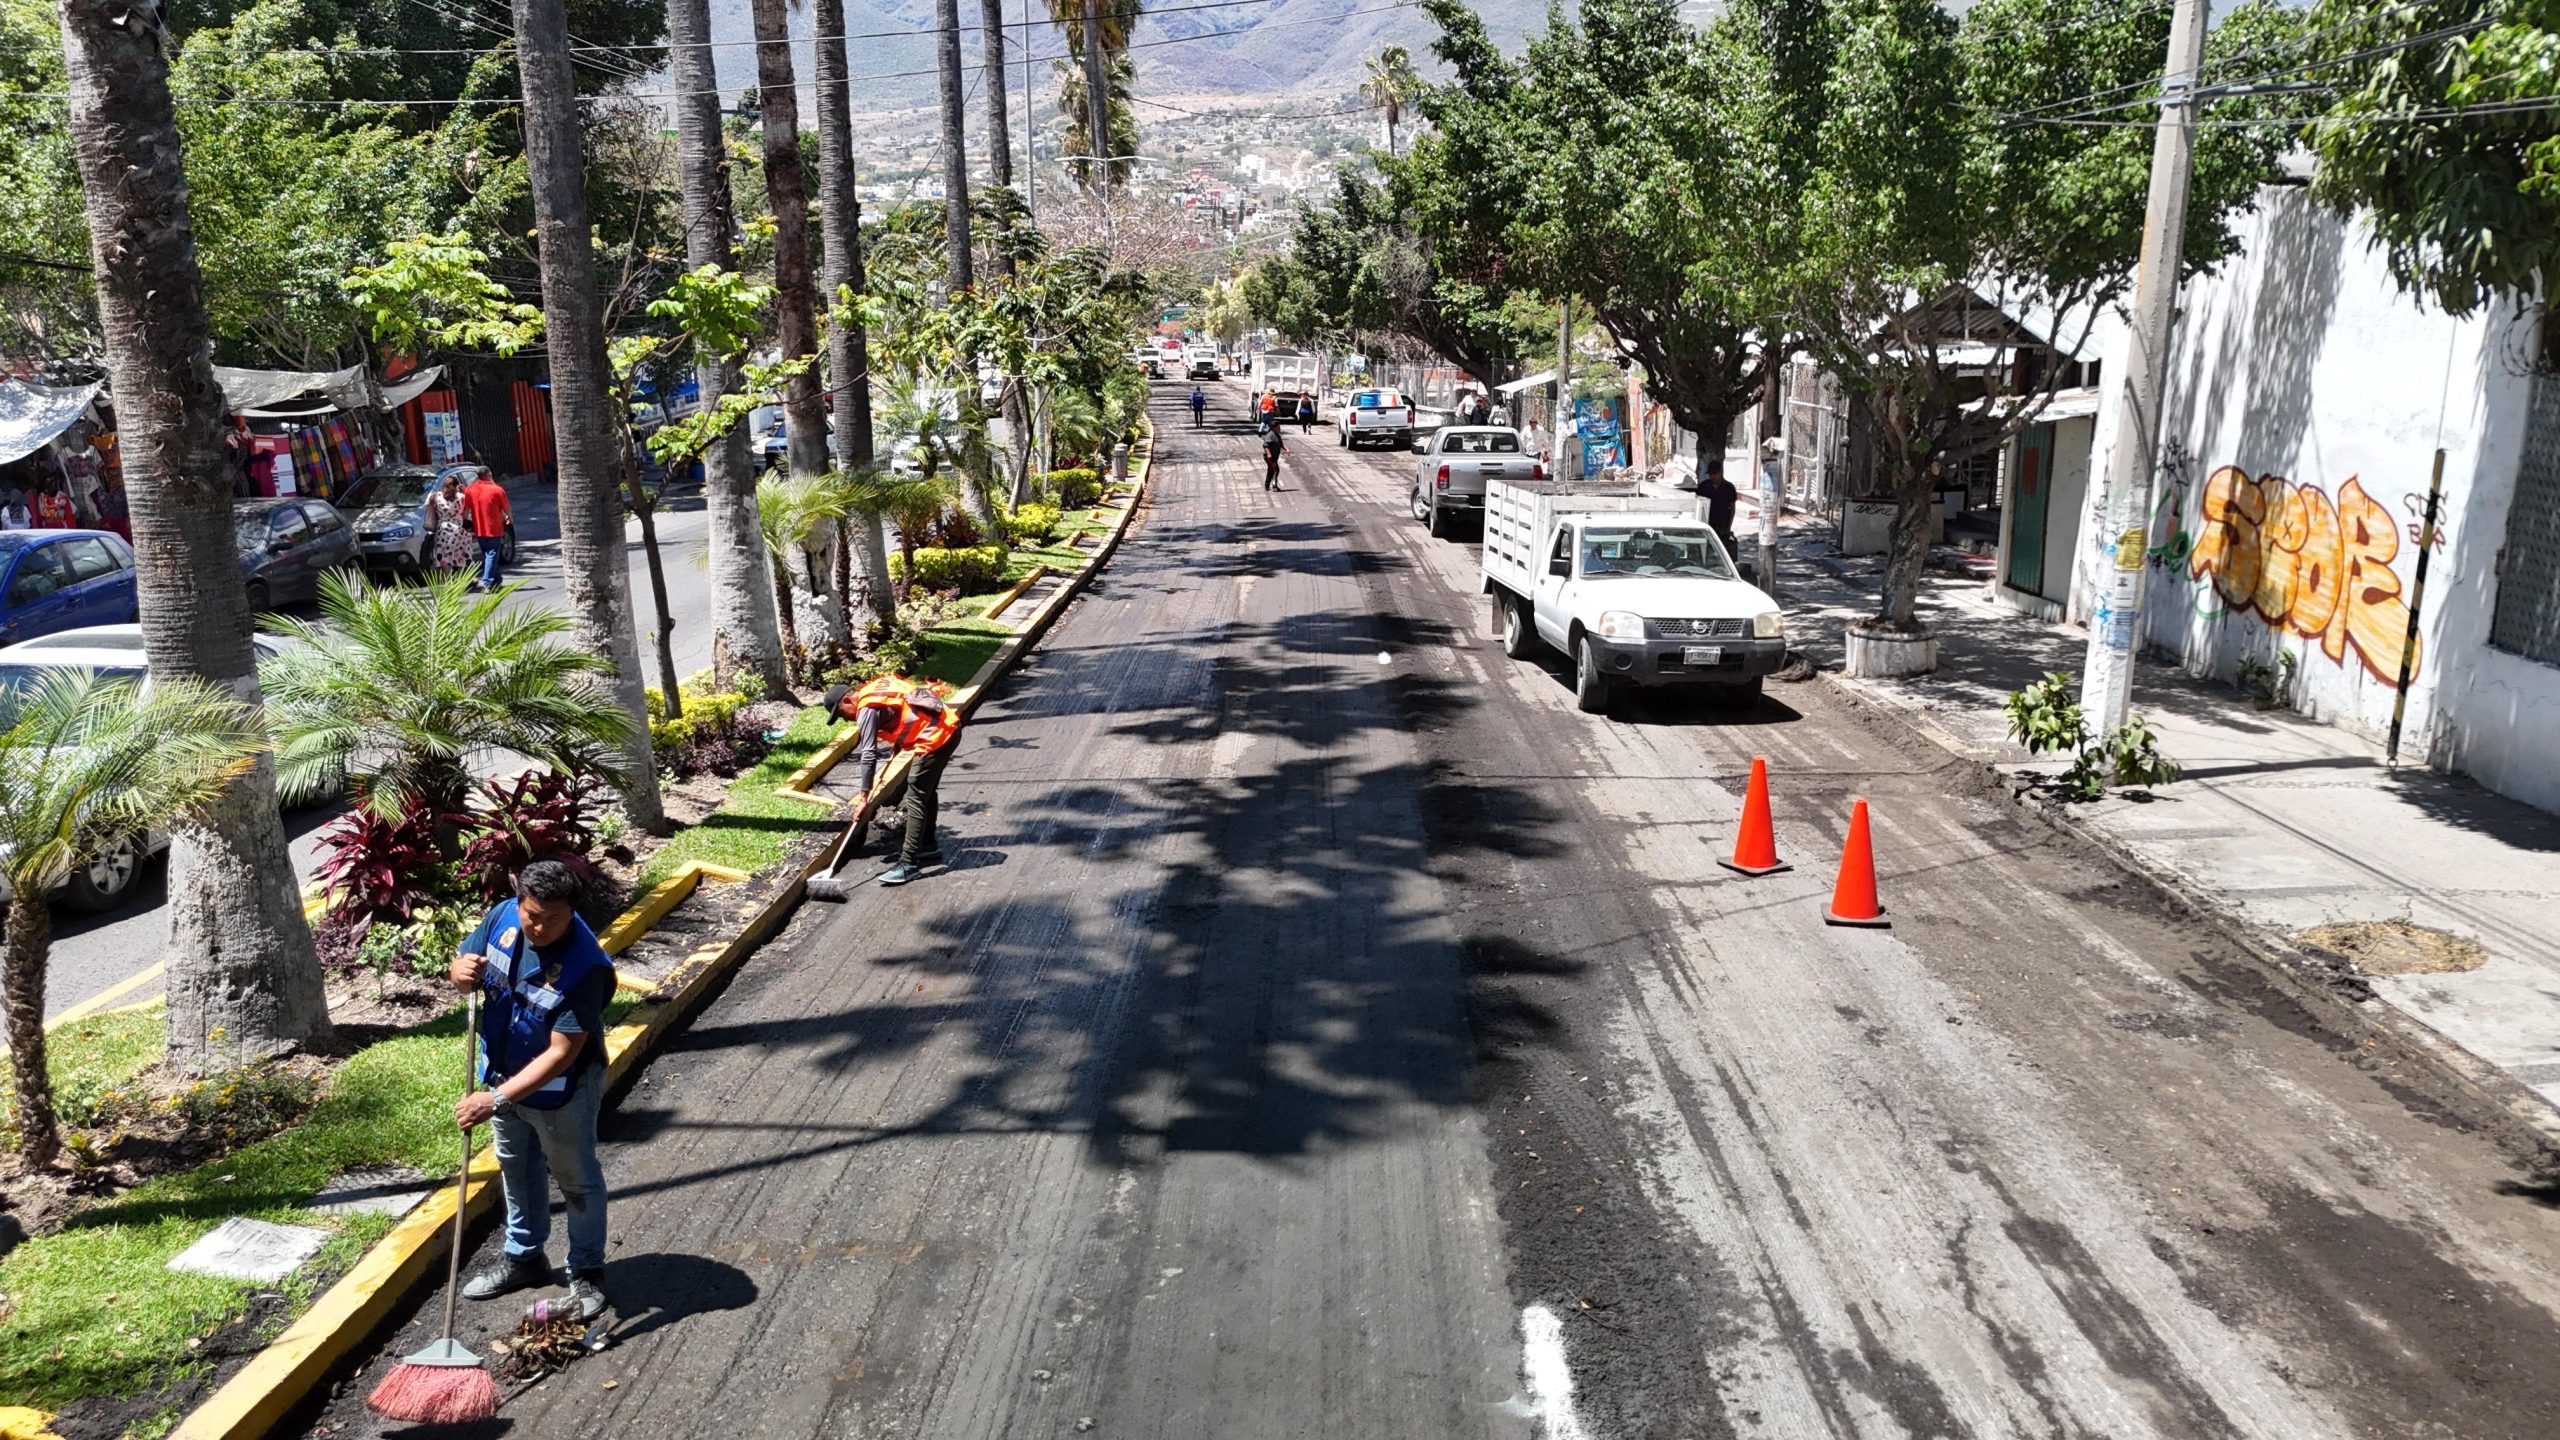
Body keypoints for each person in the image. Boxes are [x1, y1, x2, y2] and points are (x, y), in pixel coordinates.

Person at [451, 860, 615, 1321]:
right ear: (519, 899)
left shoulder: (586, 967)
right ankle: (524, 1259)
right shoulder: (504, 915)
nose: (539, 927)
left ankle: (586, 1271)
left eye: (553, 919)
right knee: (517, 1171)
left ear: (573, 913)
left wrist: (497, 1100)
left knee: (576, 1181)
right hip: (503, 1077)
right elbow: (464, 963)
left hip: (560, 1096)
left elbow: (562, 1053)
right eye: (532, 914)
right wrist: (459, 972)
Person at [823, 674, 963, 886]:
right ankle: (927, 845)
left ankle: (908, 864)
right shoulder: (876, 688)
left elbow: (868, 753)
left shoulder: (866, 709)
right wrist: (899, 741)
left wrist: (863, 796)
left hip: (935, 737)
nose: (846, 719)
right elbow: (905, 708)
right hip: (949, 727)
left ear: (847, 701)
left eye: (842, 714)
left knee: (915, 795)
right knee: (927, 789)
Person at [461, 466, 512, 590]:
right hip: (494, 528)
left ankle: (497, 579)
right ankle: (488, 582)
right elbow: (506, 508)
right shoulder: (497, 490)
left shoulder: (470, 490)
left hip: (479, 528)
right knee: (492, 554)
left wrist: (464, 521)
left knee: (488, 554)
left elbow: (466, 510)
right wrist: (509, 518)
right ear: (489, 474)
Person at [424, 468, 476, 574]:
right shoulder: (461, 497)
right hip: (459, 530)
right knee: (462, 555)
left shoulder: (436, 496)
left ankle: (448, 579)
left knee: (443, 556)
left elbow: (427, 506)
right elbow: (468, 510)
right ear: (457, 486)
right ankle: (460, 579)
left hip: (443, 531)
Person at [1700, 460, 1740, 560]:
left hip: (1722, 527)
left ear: (1720, 473)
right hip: (1707, 525)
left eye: (1714, 474)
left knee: (1726, 551)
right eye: (1710, 474)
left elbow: (1732, 509)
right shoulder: (1704, 487)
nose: (1712, 477)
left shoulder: (1729, 488)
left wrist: (1728, 528)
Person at [1261, 422, 1285, 491]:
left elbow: (1280, 444)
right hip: (1269, 457)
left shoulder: (1277, 435)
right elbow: (1265, 445)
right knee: (1275, 469)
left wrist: (1286, 449)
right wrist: (1268, 453)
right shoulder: (1270, 435)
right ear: (1274, 428)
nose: (1279, 429)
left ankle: (1267, 485)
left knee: (1271, 470)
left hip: (1274, 457)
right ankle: (1274, 486)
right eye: (1278, 427)